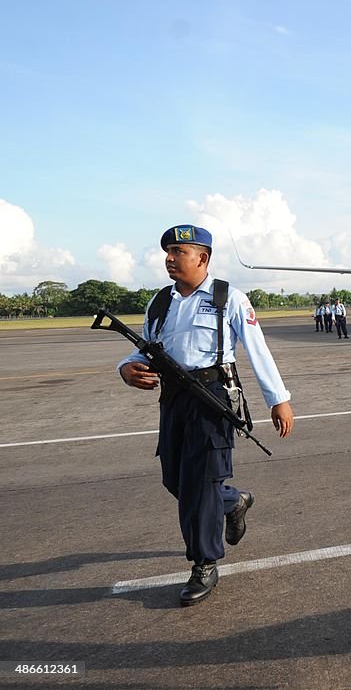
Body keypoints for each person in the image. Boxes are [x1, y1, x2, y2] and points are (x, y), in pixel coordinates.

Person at [116, 225, 294, 606]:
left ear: (203, 258)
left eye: (178, 251)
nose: (169, 258)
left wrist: (277, 399)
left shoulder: (228, 298)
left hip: (213, 400)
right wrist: (127, 368)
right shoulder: (160, 302)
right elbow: (146, 348)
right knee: (175, 479)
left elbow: (256, 349)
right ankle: (232, 501)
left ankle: (204, 563)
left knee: (199, 485)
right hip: (175, 399)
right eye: (167, 251)